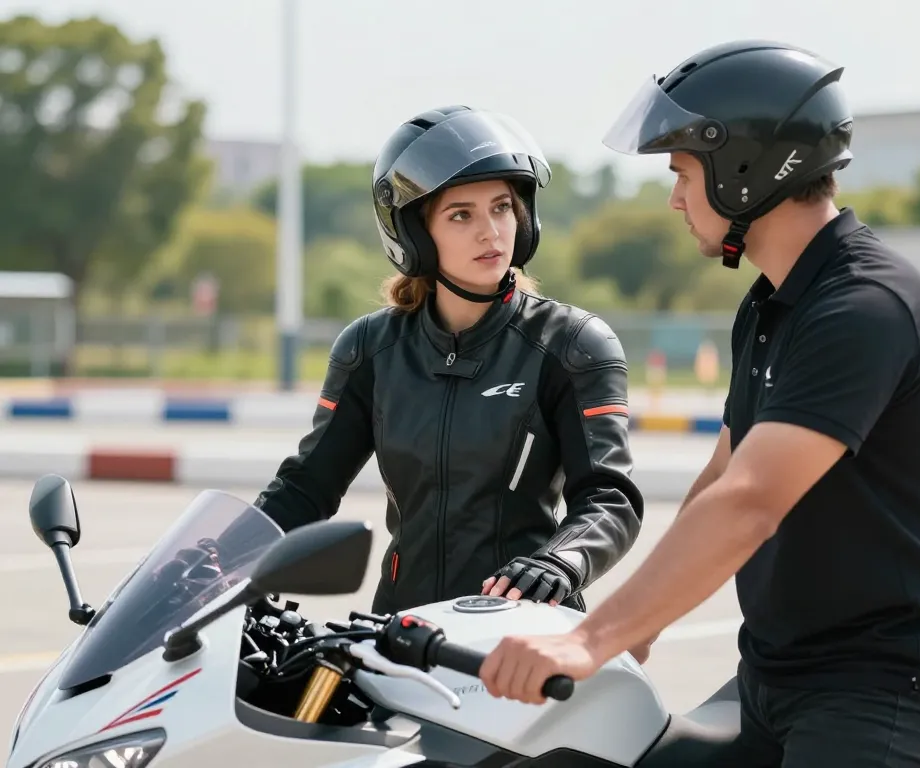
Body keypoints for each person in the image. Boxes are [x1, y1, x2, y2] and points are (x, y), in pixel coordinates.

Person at [478, 41, 920, 767]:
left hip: (880, 688)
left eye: (682, 171)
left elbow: (750, 501)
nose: (675, 197)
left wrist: (590, 639)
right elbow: (721, 473)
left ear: (741, 169)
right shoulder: (773, 301)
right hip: (771, 677)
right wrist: (639, 627)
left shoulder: (864, 307)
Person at [252, 105, 644, 617]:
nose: (491, 232)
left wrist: (559, 563)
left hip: (521, 629)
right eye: (462, 214)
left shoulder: (573, 344)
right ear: (415, 233)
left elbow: (609, 498)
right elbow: (307, 488)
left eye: (502, 207)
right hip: (400, 629)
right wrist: (215, 559)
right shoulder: (369, 348)